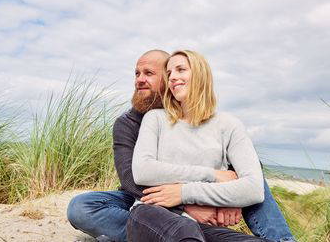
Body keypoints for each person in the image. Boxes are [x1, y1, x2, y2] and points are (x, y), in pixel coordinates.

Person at [67, 50, 296, 242]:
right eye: (137, 73)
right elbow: (133, 177)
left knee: (251, 170)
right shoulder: (135, 122)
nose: (139, 80)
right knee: (83, 207)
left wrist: (226, 196)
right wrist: (187, 202)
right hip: (146, 198)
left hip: (196, 197)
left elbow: (248, 182)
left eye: (149, 73)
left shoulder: (225, 124)